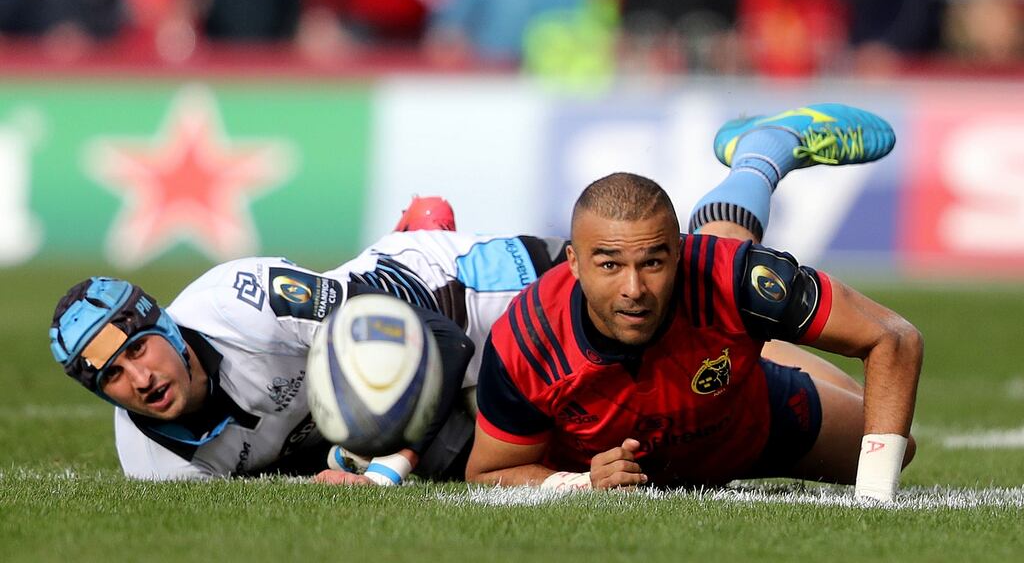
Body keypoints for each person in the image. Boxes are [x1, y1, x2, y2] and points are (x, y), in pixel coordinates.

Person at [49, 102, 899, 490]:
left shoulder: (239, 300)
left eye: (136, 348)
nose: (139, 377)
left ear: (160, 319)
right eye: (111, 378)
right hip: (416, 398)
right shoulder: (154, 465)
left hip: (455, 297)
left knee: (671, 287)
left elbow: (395, 328)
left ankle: (765, 151)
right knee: (534, 449)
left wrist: (380, 461)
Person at [466, 105, 921, 504]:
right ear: (573, 262)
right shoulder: (526, 340)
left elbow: (893, 337)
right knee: (722, 289)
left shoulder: (731, 275)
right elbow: (488, 474)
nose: (633, 288)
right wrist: (581, 484)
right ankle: (759, 155)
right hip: (707, 361)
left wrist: (876, 499)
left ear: (679, 252)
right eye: (608, 265)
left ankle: (763, 154)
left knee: (897, 447)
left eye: (654, 262)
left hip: (749, 423)